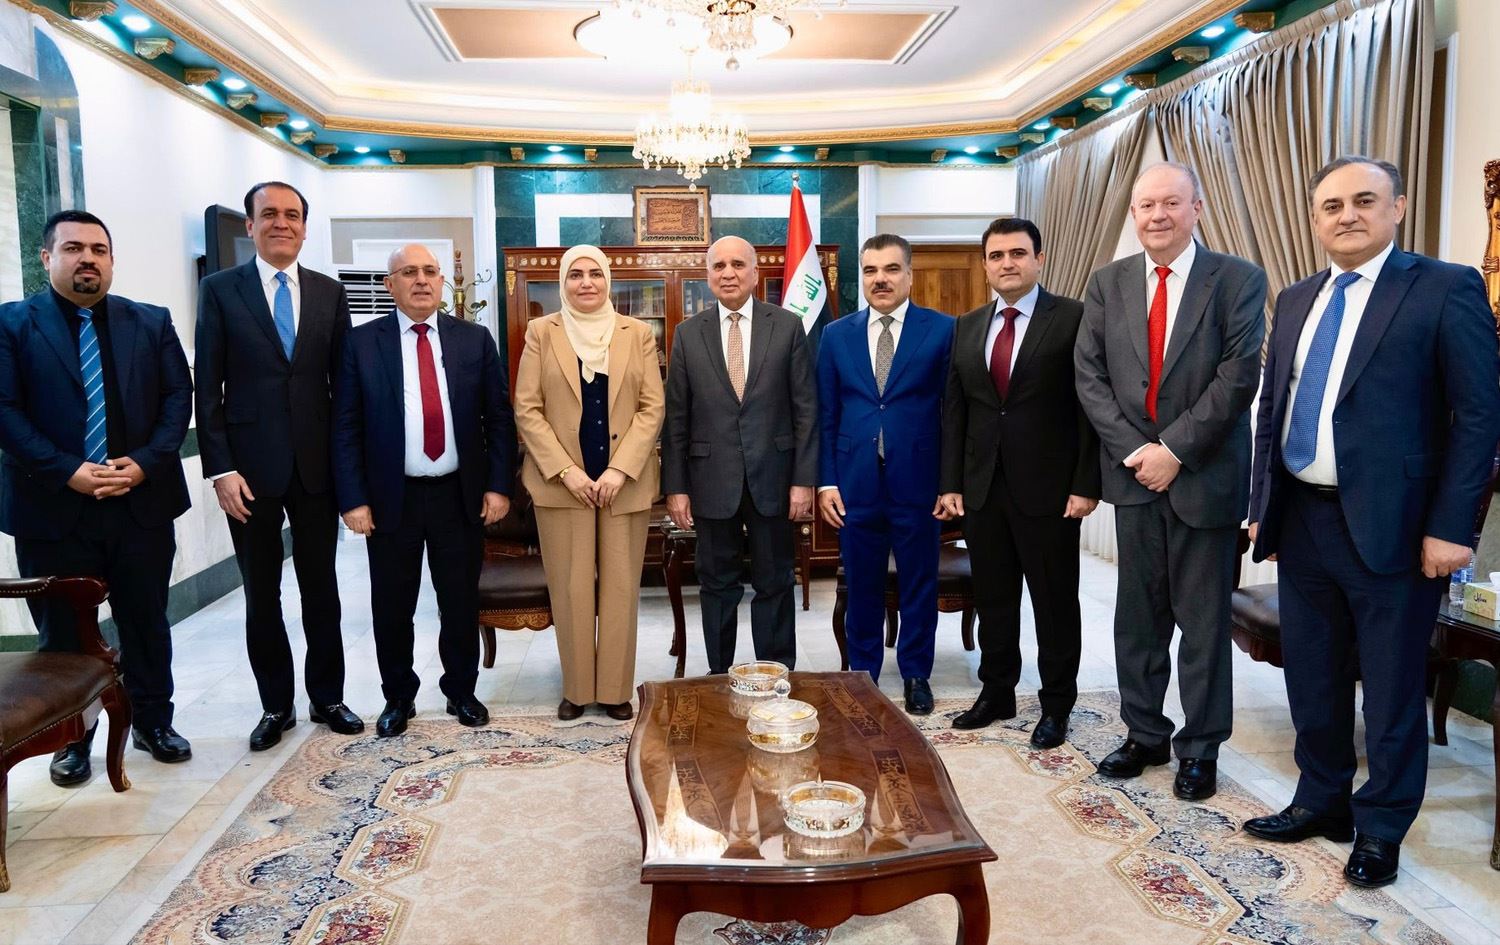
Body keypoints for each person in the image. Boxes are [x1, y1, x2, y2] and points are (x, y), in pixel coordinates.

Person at [1242, 156, 1500, 887]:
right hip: (1303, 520)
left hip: (1399, 528)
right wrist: (1262, 509)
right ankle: (1320, 798)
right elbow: (1274, 412)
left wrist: (1453, 527)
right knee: (1313, 677)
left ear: (1398, 207)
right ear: (1314, 218)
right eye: (1331, 205)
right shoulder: (1296, 297)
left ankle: (1382, 825)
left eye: (1363, 200)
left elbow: (1480, 416)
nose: (1346, 215)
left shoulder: (1444, 287)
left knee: (1390, 688)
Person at [1074, 162, 1266, 801]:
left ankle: (1200, 748)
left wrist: (1174, 451)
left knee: (1204, 626)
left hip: (1204, 480)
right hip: (1134, 480)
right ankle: (1144, 733)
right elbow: (1090, 377)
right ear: (1133, 213)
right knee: (1138, 620)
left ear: (1197, 208)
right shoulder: (1107, 283)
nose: (1157, 215)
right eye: (1146, 205)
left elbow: (1238, 377)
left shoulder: (1237, 279)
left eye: (1171, 203)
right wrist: (1138, 452)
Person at [0, 210, 194, 781]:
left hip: (140, 505)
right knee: (63, 633)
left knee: (146, 621)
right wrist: (68, 471)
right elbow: (5, 412)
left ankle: (154, 722)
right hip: (52, 509)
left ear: (111, 260)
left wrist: (146, 463)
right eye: (73, 248)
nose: (88, 258)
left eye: (99, 250)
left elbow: (177, 399)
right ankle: (71, 737)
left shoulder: (150, 321)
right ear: (47, 258)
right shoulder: (12, 324)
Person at [195, 181, 363, 752]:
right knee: (261, 595)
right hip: (249, 474)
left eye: (292, 215)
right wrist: (220, 469)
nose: (281, 223)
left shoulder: (329, 293)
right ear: (251, 225)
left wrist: (346, 467)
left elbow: (344, 387)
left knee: (323, 591)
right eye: (269, 214)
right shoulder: (220, 291)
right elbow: (207, 387)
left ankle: (328, 697)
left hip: (317, 471)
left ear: (305, 228)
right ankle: (275, 705)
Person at [332, 244, 515, 737]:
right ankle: (398, 697)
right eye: (409, 272)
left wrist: (498, 486)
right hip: (391, 498)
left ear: (441, 282)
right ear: (389, 284)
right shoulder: (361, 343)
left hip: (459, 494)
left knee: (459, 600)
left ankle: (461, 690)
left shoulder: (473, 340)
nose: (421, 280)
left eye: (430, 271)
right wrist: (353, 499)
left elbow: (499, 418)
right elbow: (345, 426)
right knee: (393, 604)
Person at [937, 218, 1100, 744]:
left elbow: (1090, 407)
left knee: (1054, 604)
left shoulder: (1073, 318)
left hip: (1051, 492)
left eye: (1017, 253)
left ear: (1039, 259)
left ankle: (1056, 704)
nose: (1006, 263)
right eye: (996, 255)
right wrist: (951, 483)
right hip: (983, 489)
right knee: (994, 598)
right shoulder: (967, 326)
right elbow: (956, 410)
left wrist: (1086, 483)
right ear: (985, 264)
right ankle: (997, 691)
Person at [514, 245, 664, 721]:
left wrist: (620, 469)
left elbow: (652, 407)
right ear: (563, 282)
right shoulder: (542, 332)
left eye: (595, 274)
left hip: (625, 483)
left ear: (608, 281)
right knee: (571, 588)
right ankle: (577, 690)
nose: (586, 283)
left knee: (620, 589)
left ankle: (615, 690)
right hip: (563, 485)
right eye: (575, 274)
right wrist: (566, 470)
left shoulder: (638, 333)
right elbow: (527, 408)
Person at [661, 235, 817, 674]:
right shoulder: (687, 333)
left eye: (737, 265)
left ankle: (775, 674)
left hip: (775, 478)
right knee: (716, 584)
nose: (728, 273)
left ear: (755, 273)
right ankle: (718, 676)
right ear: (708, 275)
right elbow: (677, 417)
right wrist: (675, 487)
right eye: (718, 266)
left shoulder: (786, 326)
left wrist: (803, 480)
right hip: (710, 480)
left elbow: (806, 410)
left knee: (775, 581)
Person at [816, 233, 952, 714]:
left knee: (919, 582)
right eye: (871, 270)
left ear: (909, 275)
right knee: (861, 583)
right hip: (855, 483)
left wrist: (949, 483)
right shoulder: (837, 335)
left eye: (891, 269)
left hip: (919, 481)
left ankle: (916, 673)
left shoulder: (942, 330)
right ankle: (863, 675)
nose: (881, 279)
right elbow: (826, 414)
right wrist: (826, 481)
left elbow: (953, 412)